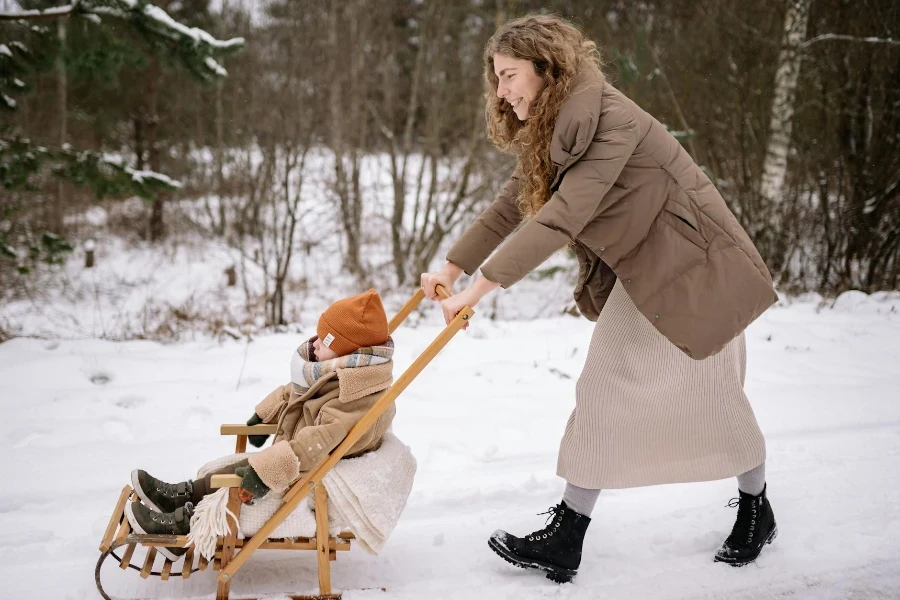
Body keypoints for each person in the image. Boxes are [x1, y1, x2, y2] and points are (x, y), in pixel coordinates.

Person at [420, 14, 778, 584]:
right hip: (653, 270)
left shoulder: (612, 122)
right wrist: (453, 265)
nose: (501, 90)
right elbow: (515, 201)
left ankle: (752, 509)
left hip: (700, 269)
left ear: (545, 67)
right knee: (662, 390)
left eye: (509, 75)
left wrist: (480, 289)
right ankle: (570, 534)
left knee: (707, 391)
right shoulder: (562, 123)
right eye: (496, 77)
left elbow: (561, 217)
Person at [123, 289, 396, 561]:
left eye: (323, 341)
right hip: (296, 461)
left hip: (309, 476)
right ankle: (179, 497)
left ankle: (182, 529)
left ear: (346, 349)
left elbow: (319, 441)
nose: (313, 345)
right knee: (227, 472)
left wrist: (267, 472)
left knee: (236, 482)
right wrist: (266, 414)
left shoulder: (355, 395)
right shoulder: (339, 373)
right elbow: (295, 392)